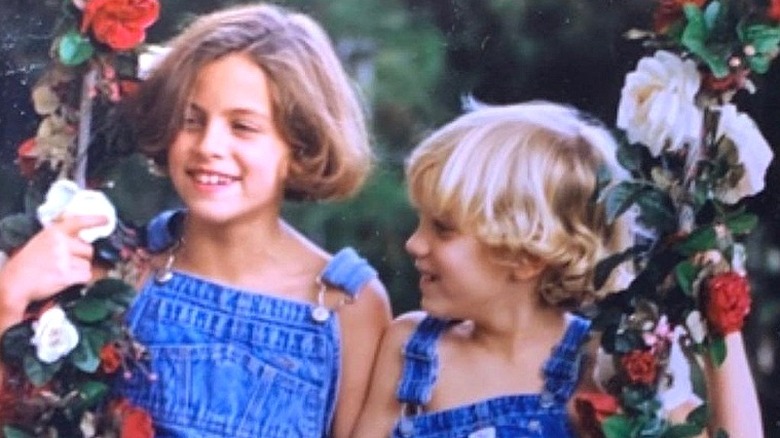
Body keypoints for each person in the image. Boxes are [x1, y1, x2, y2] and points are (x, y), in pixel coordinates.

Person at [0, 3, 391, 437]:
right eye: (191, 120)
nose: (209, 145)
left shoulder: (348, 305)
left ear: (298, 146)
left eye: (242, 127)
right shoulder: (117, 273)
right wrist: (10, 295)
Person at [350, 101, 763, 437]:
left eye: (442, 229)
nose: (414, 243)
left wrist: (718, 318)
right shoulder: (411, 349)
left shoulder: (607, 363)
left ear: (527, 256)